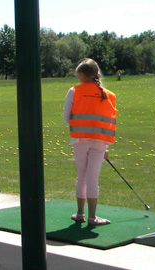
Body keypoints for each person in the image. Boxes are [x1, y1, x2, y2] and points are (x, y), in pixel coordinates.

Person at [63, 58, 117, 226]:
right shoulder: (109, 95)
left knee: (82, 177)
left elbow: (66, 118)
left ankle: (80, 214)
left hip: (79, 139)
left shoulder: (74, 91)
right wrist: (106, 146)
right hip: (100, 141)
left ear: (82, 75)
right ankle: (92, 217)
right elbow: (107, 122)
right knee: (93, 177)